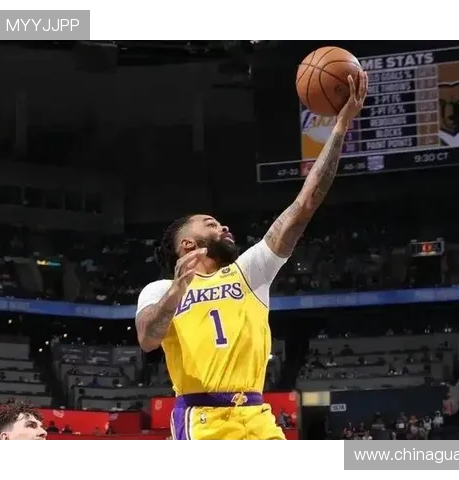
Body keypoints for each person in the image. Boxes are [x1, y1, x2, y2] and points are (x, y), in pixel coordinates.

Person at [135, 71, 368, 440]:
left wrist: (340, 127)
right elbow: (148, 338)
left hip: (257, 415)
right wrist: (177, 291)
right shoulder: (160, 289)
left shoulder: (248, 271)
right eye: (211, 224)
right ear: (188, 245)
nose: (223, 227)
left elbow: (304, 205)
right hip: (203, 418)